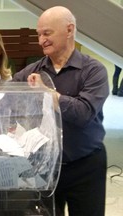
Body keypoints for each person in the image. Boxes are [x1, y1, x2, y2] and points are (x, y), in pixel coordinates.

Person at [13, 6, 109, 216]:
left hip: (85, 166)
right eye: (39, 34)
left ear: (69, 30)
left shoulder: (94, 71)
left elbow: (83, 113)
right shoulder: (33, 71)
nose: (41, 41)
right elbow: (2, 98)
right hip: (44, 167)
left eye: (47, 33)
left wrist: (46, 92)